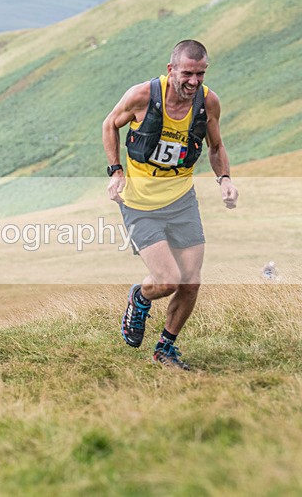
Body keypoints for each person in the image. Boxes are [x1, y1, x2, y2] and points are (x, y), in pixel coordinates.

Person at [103, 40, 238, 370]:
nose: (194, 81)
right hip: (140, 204)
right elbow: (110, 125)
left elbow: (216, 146)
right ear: (171, 70)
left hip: (181, 202)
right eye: (188, 73)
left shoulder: (208, 103)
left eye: (201, 74)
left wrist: (225, 180)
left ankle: (165, 347)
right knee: (167, 281)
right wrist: (116, 170)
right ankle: (140, 297)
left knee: (191, 281)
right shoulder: (142, 96)